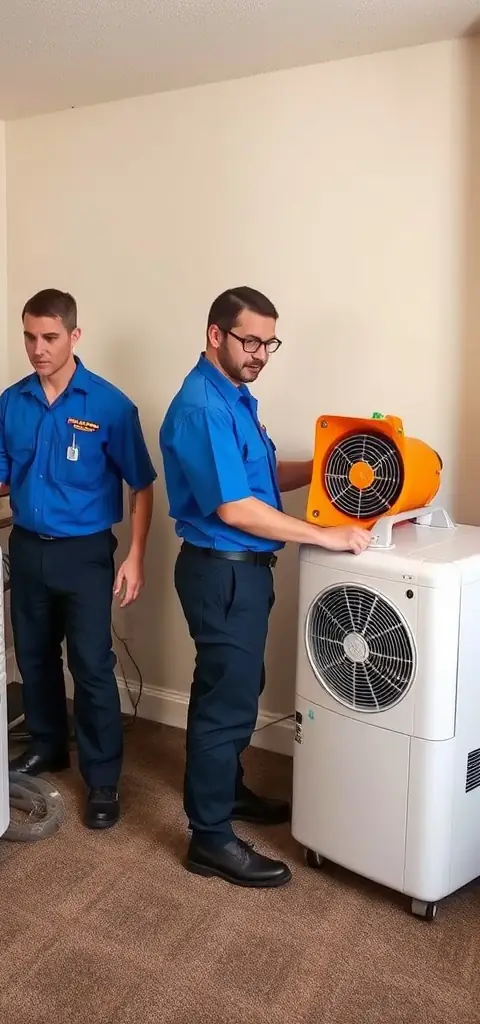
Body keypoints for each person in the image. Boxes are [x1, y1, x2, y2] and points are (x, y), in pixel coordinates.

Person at [0, 288, 156, 829]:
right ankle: (48, 745)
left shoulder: (110, 406)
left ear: (74, 336)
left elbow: (141, 486)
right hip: (26, 546)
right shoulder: (12, 403)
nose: (37, 348)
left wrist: (135, 555)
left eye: (49, 337)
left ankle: (103, 778)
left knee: (91, 666)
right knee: (35, 657)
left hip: (86, 553)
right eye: (29, 336)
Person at [159, 286, 372, 888]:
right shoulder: (203, 406)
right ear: (215, 335)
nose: (261, 353)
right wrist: (324, 536)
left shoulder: (236, 399)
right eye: (250, 340)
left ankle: (227, 792)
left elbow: (261, 475)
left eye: (268, 342)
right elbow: (235, 506)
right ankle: (210, 839)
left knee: (232, 688)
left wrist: (330, 463)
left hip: (241, 571)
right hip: (222, 568)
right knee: (226, 704)